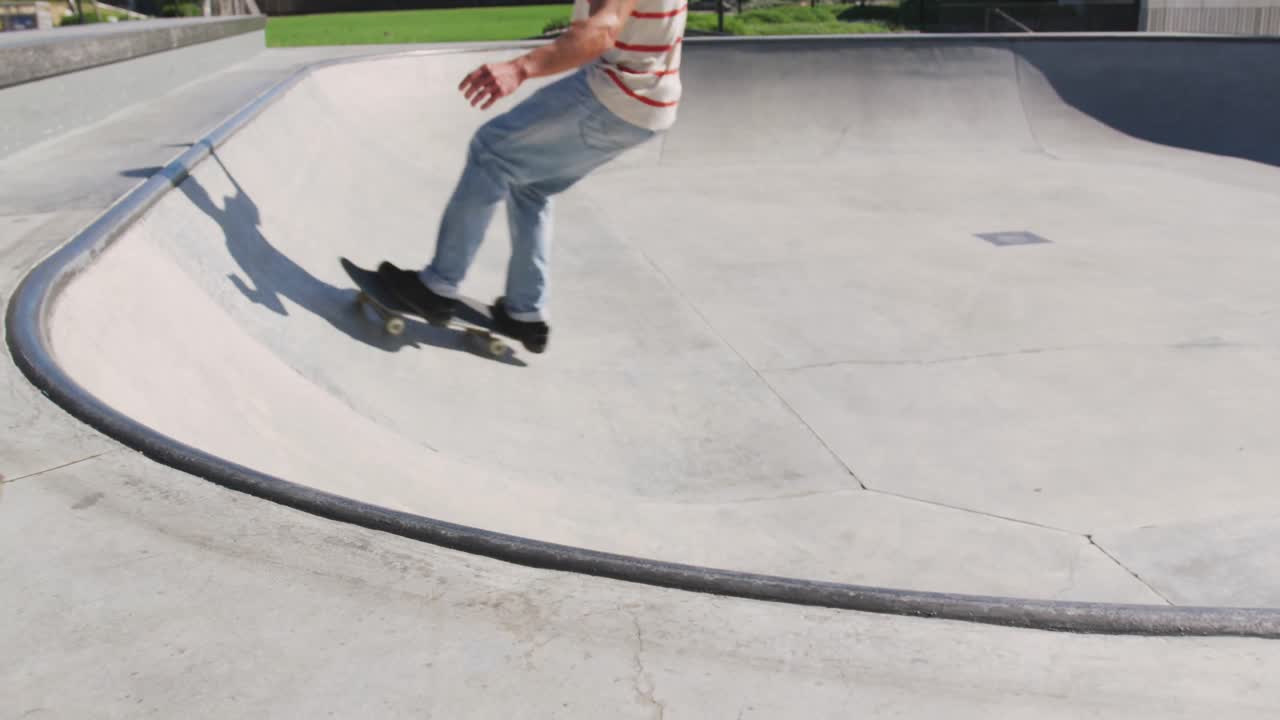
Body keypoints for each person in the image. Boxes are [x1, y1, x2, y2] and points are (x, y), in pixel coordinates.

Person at [376, 0, 687, 354]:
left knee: (491, 152)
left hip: (615, 95)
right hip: (649, 110)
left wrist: (520, 68)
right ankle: (526, 313)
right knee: (532, 187)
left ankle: (436, 288)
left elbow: (602, 29)